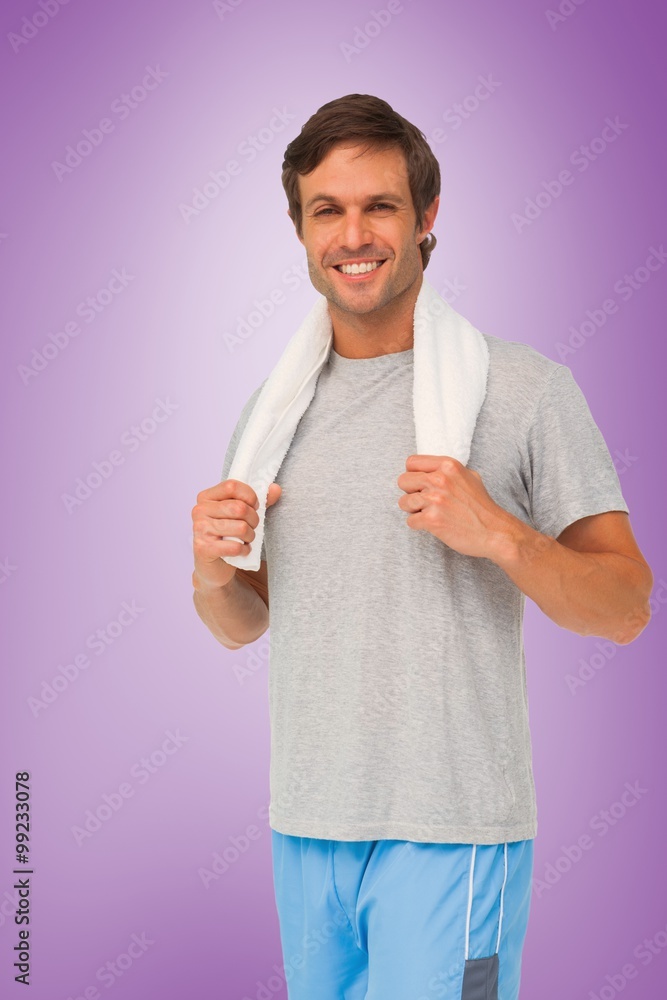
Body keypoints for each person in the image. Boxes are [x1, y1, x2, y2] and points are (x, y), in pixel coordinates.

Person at [191, 95, 653, 1000]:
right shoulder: (272, 411)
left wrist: (500, 534)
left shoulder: (521, 391)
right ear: (299, 228)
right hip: (308, 825)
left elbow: (627, 607)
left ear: (426, 218)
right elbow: (242, 625)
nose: (353, 233)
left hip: (452, 830)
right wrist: (211, 572)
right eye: (327, 209)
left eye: (381, 206)